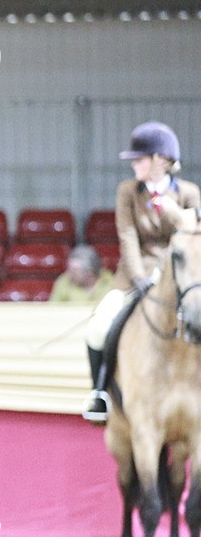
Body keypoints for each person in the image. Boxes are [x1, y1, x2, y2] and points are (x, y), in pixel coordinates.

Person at [82, 121, 200, 422]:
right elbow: (128, 237)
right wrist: (140, 278)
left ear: (159, 160)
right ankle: (101, 394)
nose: (133, 164)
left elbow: (192, 232)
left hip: (181, 279)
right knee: (98, 327)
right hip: (135, 279)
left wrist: (168, 205)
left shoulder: (188, 193)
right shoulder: (128, 192)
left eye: (139, 159)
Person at [49, 244, 114, 303]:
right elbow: (52, 310)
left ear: (89, 273)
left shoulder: (111, 282)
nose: (68, 274)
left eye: (74, 271)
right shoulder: (63, 281)